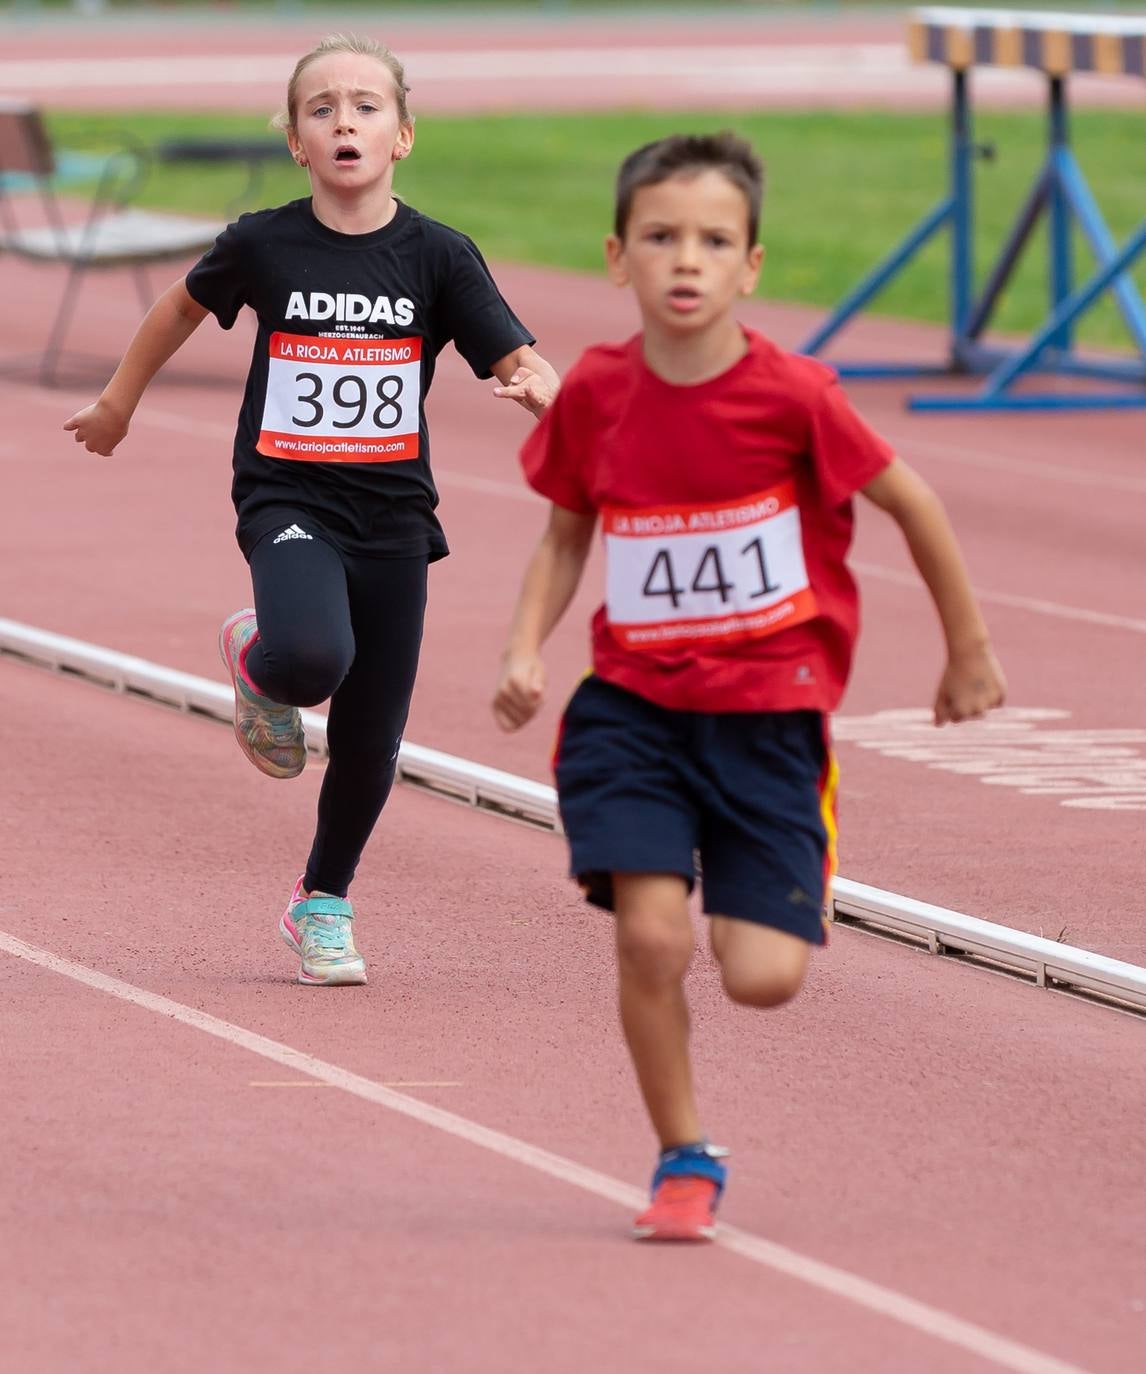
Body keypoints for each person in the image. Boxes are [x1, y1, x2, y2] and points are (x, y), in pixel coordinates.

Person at [491, 132, 1005, 1242]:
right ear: (618, 255)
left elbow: (913, 504)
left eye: (714, 241)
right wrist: (526, 643)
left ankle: (787, 847)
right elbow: (566, 534)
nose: (688, 260)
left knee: (763, 977)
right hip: (632, 710)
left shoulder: (795, 396)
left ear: (752, 266)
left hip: (769, 717)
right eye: (663, 238)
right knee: (651, 938)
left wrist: (966, 649)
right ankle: (683, 1157)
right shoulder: (597, 393)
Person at [64, 33, 558, 987]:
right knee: (309, 658)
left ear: (402, 135)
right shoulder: (264, 242)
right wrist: (120, 402)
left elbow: (513, 353)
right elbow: (177, 306)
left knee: (372, 730)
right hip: (288, 494)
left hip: (395, 514)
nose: (345, 120)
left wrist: (538, 385)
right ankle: (260, 655)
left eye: (366, 106)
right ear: (295, 140)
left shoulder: (440, 256)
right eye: (322, 108)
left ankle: (321, 901)